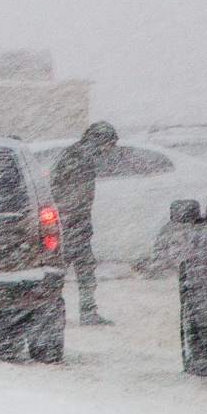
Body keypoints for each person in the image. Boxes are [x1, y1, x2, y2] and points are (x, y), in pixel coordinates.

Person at [52, 121, 118, 326]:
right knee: (74, 270)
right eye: (107, 146)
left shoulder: (76, 155)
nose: (106, 152)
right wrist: (74, 221)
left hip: (72, 224)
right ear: (98, 140)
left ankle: (63, 313)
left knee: (78, 269)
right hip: (71, 224)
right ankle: (70, 313)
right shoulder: (77, 159)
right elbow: (69, 194)